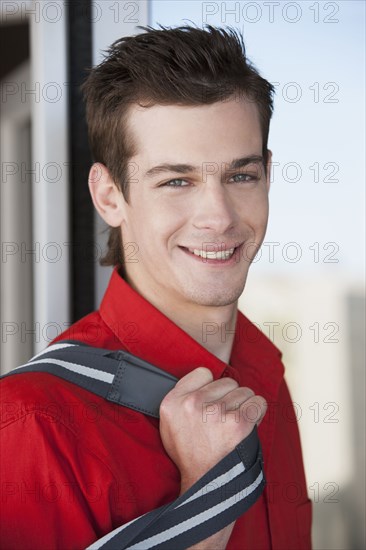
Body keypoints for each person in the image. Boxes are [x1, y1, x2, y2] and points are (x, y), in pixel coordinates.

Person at [0, 25, 312, 549]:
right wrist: (207, 497)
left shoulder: (266, 378)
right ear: (109, 196)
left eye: (241, 176)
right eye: (176, 181)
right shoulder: (30, 425)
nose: (218, 217)